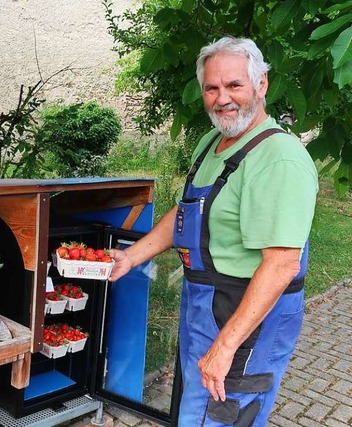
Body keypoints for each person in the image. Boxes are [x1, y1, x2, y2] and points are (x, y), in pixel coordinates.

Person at [109, 36, 318, 426]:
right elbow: (189, 211)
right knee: (195, 408)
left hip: (246, 314)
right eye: (212, 87)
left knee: (222, 414)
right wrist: (131, 256)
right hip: (204, 300)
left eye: (234, 85)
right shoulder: (211, 142)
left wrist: (225, 346)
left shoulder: (280, 159)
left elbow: (282, 265)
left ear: (261, 85)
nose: (223, 98)